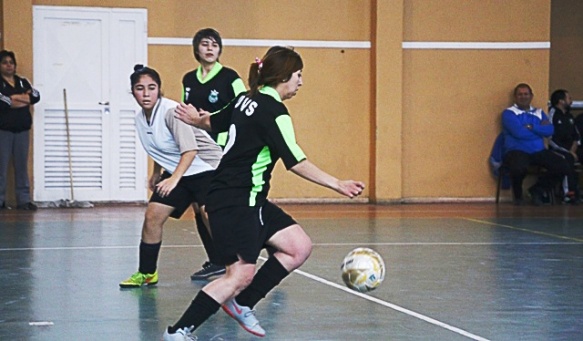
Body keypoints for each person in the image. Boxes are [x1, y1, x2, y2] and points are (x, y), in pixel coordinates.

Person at [163, 46, 365, 340]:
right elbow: (295, 161)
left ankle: (242, 304)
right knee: (239, 275)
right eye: (298, 75)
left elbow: (214, 121)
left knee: (298, 246)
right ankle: (178, 332)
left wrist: (197, 120)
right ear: (284, 76)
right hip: (235, 200)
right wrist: (338, 184)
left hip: (247, 197)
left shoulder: (247, 98)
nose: (300, 81)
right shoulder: (275, 112)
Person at [119, 65, 223, 288]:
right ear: (133, 91)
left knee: (209, 214)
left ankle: (232, 265)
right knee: (153, 215)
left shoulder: (171, 112)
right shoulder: (140, 119)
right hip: (182, 170)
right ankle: (147, 273)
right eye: (140, 88)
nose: (146, 94)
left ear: (159, 90)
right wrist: (157, 173)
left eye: (151, 88)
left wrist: (173, 179)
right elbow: (162, 147)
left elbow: (190, 150)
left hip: (207, 167)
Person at [182, 28, 247, 281]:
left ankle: (249, 250)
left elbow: (244, 107)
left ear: (220, 50)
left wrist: (211, 120)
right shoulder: (189, 78)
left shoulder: (230, 77)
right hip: (196, 148)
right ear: (196, 48)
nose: (209, 48)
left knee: (217, 206)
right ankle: (217, 259)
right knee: (199, 207)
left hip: (220, 148)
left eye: (214, 45)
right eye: (204, 44)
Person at [501, 83, 571, 205]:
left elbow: (550, 130)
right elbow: (519, 133)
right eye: (520, 94)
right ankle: (518, 196)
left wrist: (531, 127)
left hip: (538, 151)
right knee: (518, 167)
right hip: (517, 150)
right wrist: (539, 131)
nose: (523, 97)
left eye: (526, 94)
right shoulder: (509, 113)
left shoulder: (539, 112)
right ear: (515, 97)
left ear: (531, 96)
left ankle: (537, 190)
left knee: (563, 165)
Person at [0, 50, 40, 211]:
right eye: (5, 62)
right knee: (1, 167)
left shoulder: (23, 82)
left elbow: (35, 97)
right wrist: (23, 98)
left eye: (11, 62)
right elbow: (4, 103)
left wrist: (14, 98)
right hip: (4, 131)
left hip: (22, 130)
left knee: (21, 166)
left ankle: (23, 200)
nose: (9, 65)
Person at [548, 89, 582, 203]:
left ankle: (578, 190)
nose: (571, 101)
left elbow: (576, 136)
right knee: (567, 158)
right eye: (569, 98)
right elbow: (550, 138)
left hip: (572, 149)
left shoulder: (569, 116)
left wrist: (573, 149)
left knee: (575, 155)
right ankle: (568, 193)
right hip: (557, 149)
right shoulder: (552, 114)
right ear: (561, 101)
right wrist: (568, 151)